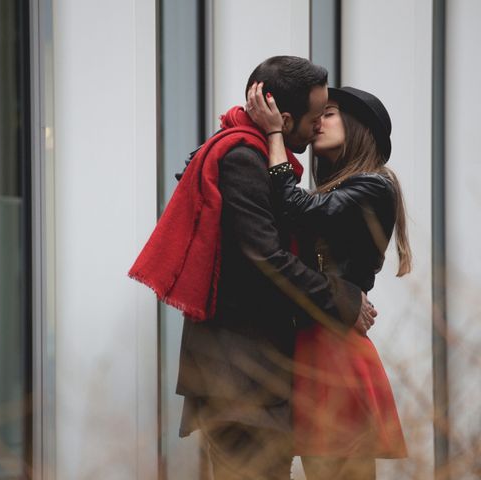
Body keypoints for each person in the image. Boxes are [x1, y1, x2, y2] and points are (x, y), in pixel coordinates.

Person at [129, 56, 376, 480]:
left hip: (252, 376)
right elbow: (267, 258)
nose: (318, 126)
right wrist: (342, 299)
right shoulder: (242, 159)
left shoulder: (254, 152)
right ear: (283, 118)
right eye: (315, 117)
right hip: (240, 379)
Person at [245, 83, 410, 479]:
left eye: (330, 113)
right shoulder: (343, 189)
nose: (318, 122)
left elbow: (297, 209)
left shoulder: (373, 184)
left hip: (333, 346)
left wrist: (273, 135)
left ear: (358, 127)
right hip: (322, 338)